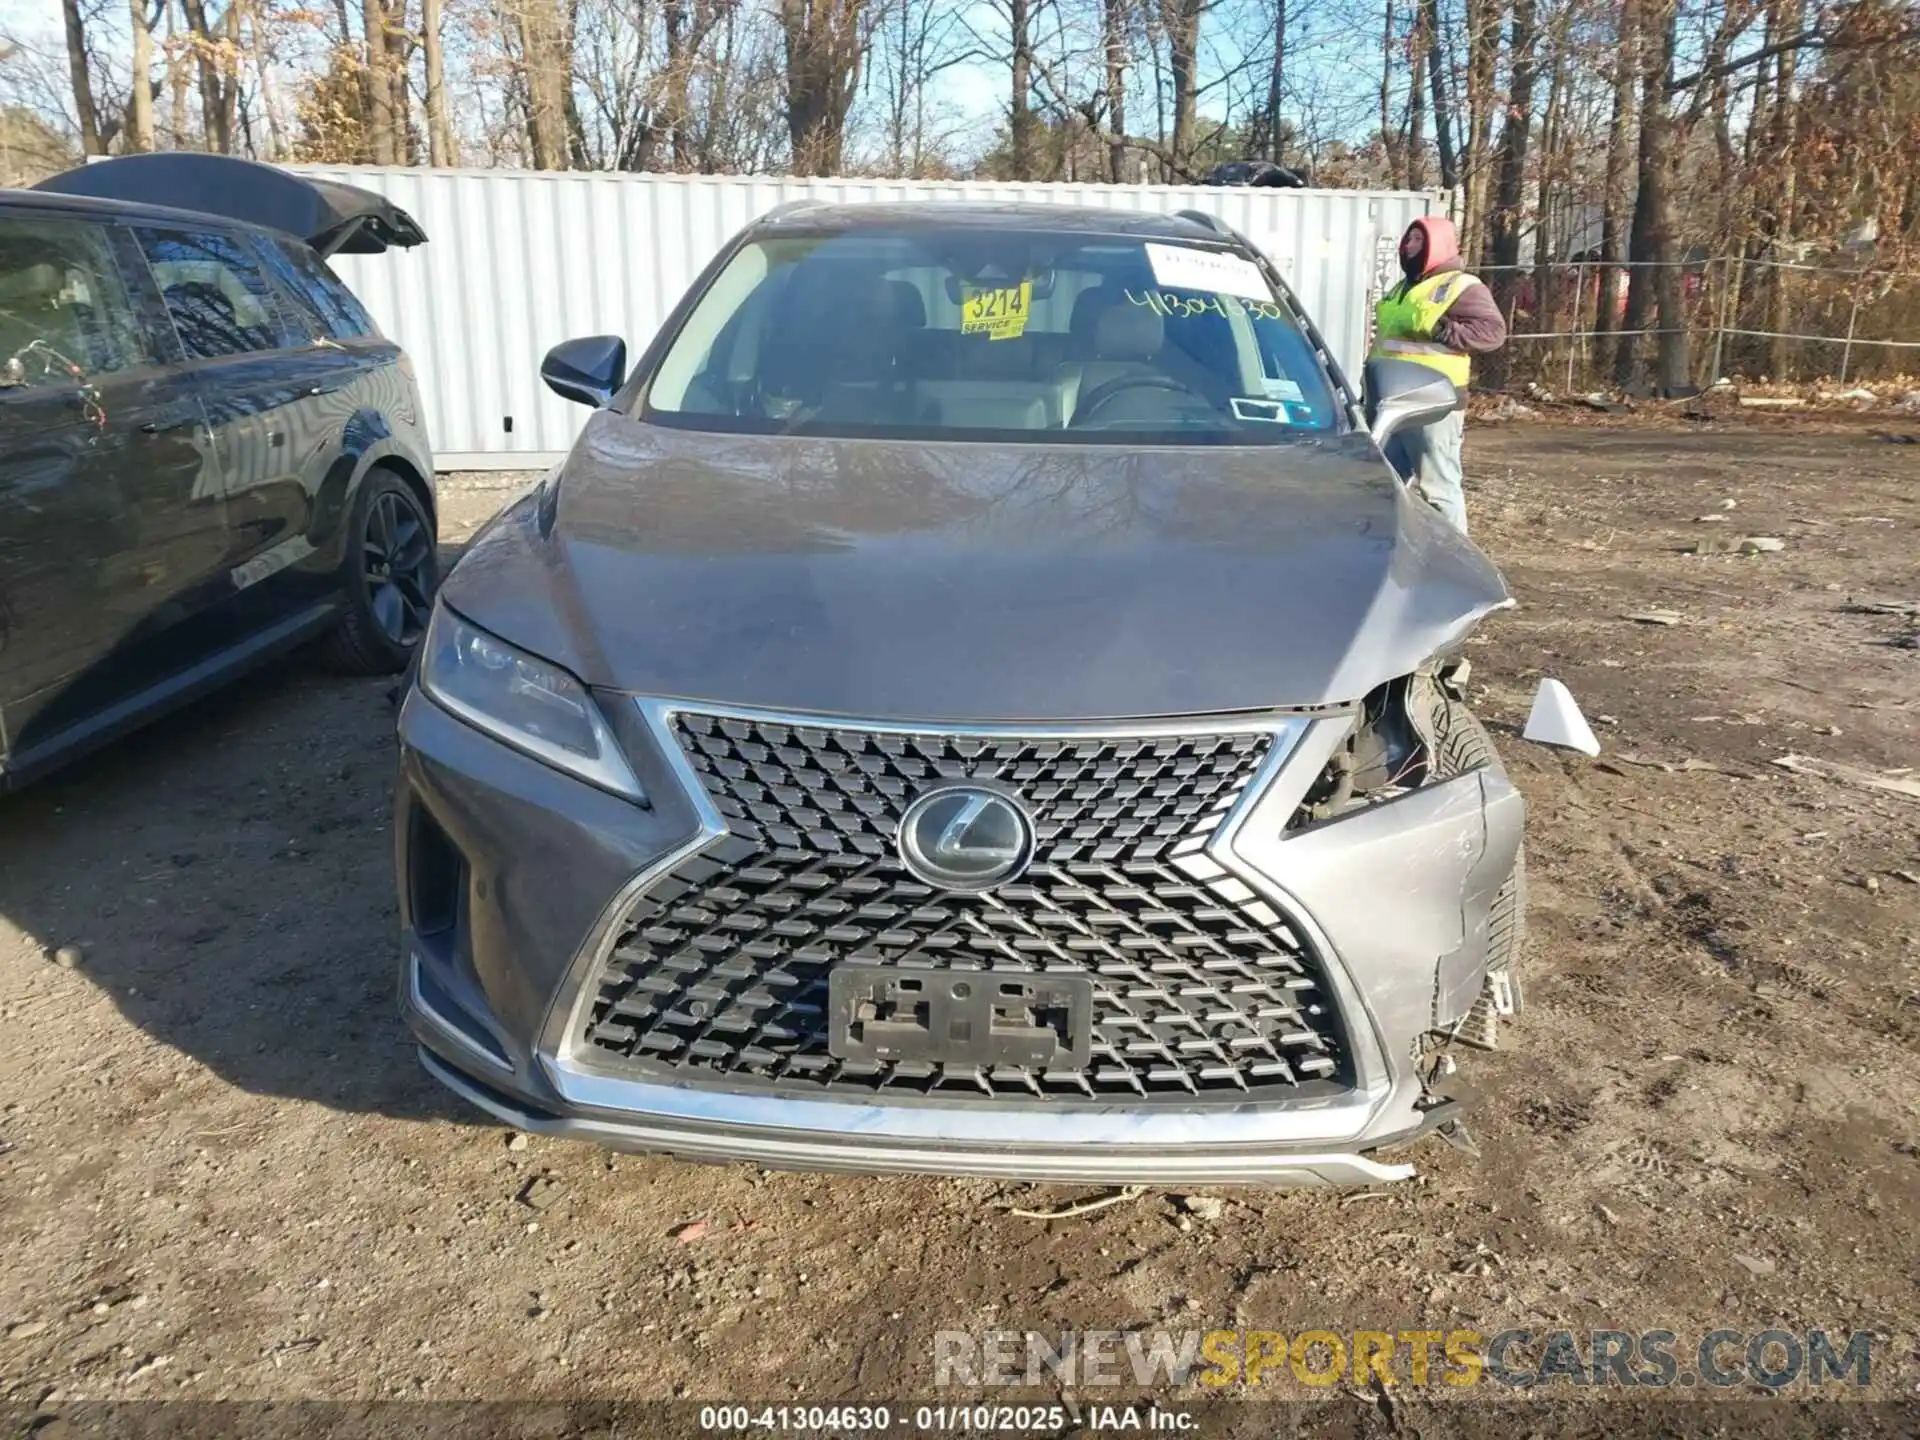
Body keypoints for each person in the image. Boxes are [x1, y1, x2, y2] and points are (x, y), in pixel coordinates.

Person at [1370, 216, 1507, 533]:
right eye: (1409, 239)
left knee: (1439, 489)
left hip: (1434, 405)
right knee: (1383, 484)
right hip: (1391, 404)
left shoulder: (1461, 286)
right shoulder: (1403, 287)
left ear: (1437, 245)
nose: (1409, 246)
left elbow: (1492, 333)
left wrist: (1443, 331)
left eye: (1418, 240)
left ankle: (1456, 563)